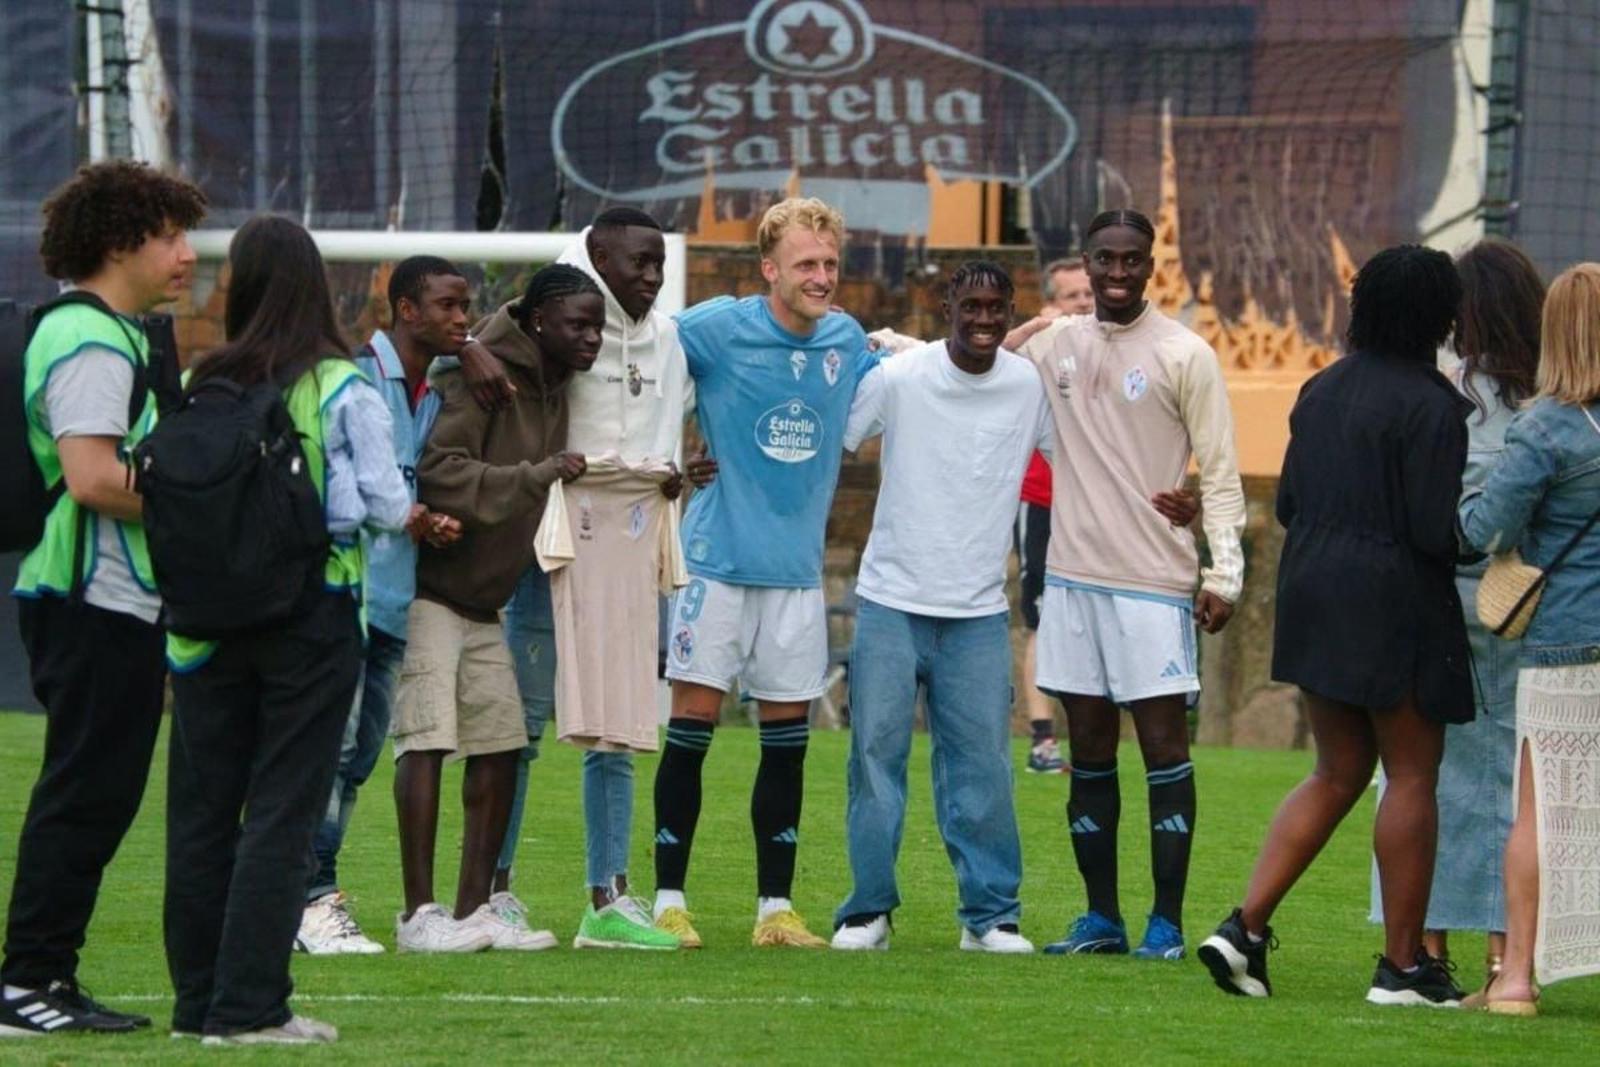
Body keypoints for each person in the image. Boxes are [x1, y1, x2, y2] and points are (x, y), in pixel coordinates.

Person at [161, 215, 414, 1044]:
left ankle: (197, 1004)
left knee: (201, 812)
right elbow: (382, 505)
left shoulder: (207, 378)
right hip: (309, 617)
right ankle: (250, 1008)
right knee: (282, 810)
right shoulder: (341, 384)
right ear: (315, 286)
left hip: (205, 620)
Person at [1198, 244, 1472, 1006]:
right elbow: (1432, 528)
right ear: (1438, 317)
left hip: (1310, 590)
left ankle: (1244, 928)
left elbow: (1288, 505)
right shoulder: (1436, 406)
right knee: (1411, 773)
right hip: (1395, 600)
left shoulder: (1319, 388)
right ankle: (1404, 966)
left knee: (1337, 769)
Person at [1, 160, 205, 1038]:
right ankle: (27, 983)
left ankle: (45, 974)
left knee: (96, 790)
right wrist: (206, 508)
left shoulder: (115, 334)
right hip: (88, 595)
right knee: (85, 791)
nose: (189, 254)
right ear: (121, 241)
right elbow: (90, 477)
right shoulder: (88, 337)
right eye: (171, 235)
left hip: (109, 597)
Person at [459, 207, 689, 950]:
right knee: (519, 724)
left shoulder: (671, 336)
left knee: (617, 726)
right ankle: (494, 891)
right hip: (546, 542)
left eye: (658, 264)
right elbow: (460, 350)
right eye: (635, 264)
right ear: (594, 257)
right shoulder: (547, 321)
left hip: (624, 540)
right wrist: (469, 342)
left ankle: (608, 900)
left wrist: (674, 477)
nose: (650, 278)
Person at [1018, 210, 1245, 962]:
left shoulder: (1186, 353)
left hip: (1151, 580)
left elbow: (1217, 470)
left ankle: (1167, 923)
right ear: (1085, 262)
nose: (1117, 273)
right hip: (1074, 580)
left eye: (1131, 261)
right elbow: (977, 357)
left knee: (1161, 747)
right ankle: (1100, 918)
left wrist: (1223, 574)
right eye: (1104, 260)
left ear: (1152, 267)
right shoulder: (1059, 342)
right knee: (1087, 748)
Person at [651, 197, 877, 949]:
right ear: (770, 268)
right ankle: (667, 901)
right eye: (807, 264)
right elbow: (643, 359)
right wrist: (671, 461)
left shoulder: (846, 340)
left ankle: (773, 909)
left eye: (830, 264)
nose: (821, 277)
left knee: (789, 742)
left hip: (796, 578)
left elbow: (915, 375)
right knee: (693, 729)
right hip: (715, 565)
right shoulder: (717, 326)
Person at [830, 262, 1050, 953]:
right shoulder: (901, 376)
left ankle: (989, 915)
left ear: (1011, 310)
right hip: (891, 598)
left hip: (979, 611)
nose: (983, 318)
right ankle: (868, 909)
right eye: (971, 304)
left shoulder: (1028, 386)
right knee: (874, 756)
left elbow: (1083, 460)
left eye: (996, 307)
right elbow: (834, 439)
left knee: (983, 762)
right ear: (946, 304)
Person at [390, 264, 593, 953]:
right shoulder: (480, 380)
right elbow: (440, 471)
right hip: (433, 593)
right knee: (427, 739)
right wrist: (536, 475)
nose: (594, 338)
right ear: (539, 322)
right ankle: (420, 913)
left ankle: (473, 908)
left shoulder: (552, 381)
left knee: (502, 745)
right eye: (581, 325)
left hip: (485, 603)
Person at [1367, 237, 1544, 985]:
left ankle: (1425, 941)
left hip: (1442, 607)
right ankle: (1507, 950)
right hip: (1529, 607)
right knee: (1518, 787)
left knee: (1421, 776)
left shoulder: (1440, 393)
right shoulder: (1552, 406)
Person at [295, 256, 468, 955]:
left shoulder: (435, 388)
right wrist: (412, 517)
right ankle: (310, 899)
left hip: (394, 606)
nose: (463, 318)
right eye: (449, 306)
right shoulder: (357, 380)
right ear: (405, 310)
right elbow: (349, 492)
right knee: (326, 756)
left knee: (358, 757)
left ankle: (303, 895)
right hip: (342, 601)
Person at [1458, 261, 1600, 1016]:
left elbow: (1485, 529)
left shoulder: (1544, 424)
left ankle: (1513, 978)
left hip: (1566, 641)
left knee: (1538, 812)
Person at [1009, 259, 1095, 774]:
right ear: (1050, 305)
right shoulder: (1035, 351)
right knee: (1043, 617)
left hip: (1099, 505)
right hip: (1043, 500)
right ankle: (1044, 740)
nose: (1083, 303)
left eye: (1088, 293)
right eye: (1071, 296)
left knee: (1091, 615)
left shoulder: (1117, 345)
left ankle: (1089, 738)